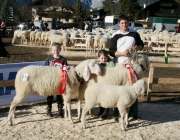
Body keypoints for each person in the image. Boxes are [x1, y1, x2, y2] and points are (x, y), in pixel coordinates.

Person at [109, 15, 144, 121]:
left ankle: (134, 113)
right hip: (119, 65)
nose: (125, 25)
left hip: (132, 65)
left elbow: (141, 44)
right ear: (118, 24)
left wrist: (138, 47)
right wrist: (122, 53)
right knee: (117, 89)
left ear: (129, 23)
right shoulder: (115, 35)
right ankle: (116, 113)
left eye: (126, 23)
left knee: (134, 88)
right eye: (122, 23)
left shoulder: (134, 33)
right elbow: (111, 51)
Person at [45, 42, 68, 118]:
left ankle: (60, 110)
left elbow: (65, 69)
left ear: (60, 50)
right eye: (54, 50)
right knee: (50, 95)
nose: (56, 51)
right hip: (51, 80)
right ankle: (49, 109)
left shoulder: (63, 59)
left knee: (59, 96)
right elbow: (45, 68)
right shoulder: (49, 59)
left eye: (57, 50)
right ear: (52, 50)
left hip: (60, 80)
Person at [95, 49, 114, 119]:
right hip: (100, 82)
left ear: (107, 57)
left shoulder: (110, 63)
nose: (103, 59)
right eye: (102, 58)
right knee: (100, 97)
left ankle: (106, 111)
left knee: (107, 97)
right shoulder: (97, 62)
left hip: (108, 82)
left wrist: (104, 64)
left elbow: (112, 64)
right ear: (98, 58)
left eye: (105, 58)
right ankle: (101, 110)